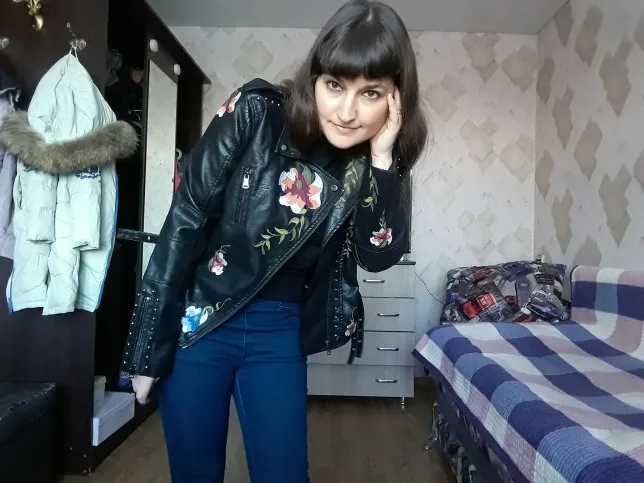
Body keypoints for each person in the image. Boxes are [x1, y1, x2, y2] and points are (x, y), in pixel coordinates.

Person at [120, 0, 428, 481]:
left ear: (396, 100)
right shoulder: (256, 112)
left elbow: (377, 255)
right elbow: (185, 219)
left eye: (370, 93)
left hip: (279, 331)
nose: (347, 112)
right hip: (199, 321)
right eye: (334, 85)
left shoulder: (376, 161)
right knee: (195, 473)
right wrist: (147, 348)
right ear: (315, 79)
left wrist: (383, 162)